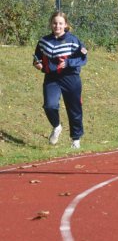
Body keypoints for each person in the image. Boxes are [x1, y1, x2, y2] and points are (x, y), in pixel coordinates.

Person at [33, 12, 88, 148]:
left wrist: (68, 63)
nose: (57, 26)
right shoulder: (44, 41)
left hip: (71, 78)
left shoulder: (73, 40)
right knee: (49, 105)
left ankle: (76, 140)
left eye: (60, 23)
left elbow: (83, 58)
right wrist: (37, 64)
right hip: (52, 78)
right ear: (51, 24)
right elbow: (37, 58)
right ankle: (57, 126)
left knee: (74, 109)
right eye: (55, 23)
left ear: (66, 25)